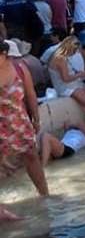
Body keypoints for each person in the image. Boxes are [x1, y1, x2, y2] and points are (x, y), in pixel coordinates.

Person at [0, 40, 48, 196]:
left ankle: (45, 195)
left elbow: (30, 94)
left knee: (31, 156)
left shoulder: (19, 69)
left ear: (4, 54)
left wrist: (36, 118)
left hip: (20, 121)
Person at [47, 36, 85, 137]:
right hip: (66, 87)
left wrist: (79, 74)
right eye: (74, 50)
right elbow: (65, 78)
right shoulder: (60, 59)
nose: (75, 53)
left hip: (74, 83)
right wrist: (80, 75)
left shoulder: (64, 57)